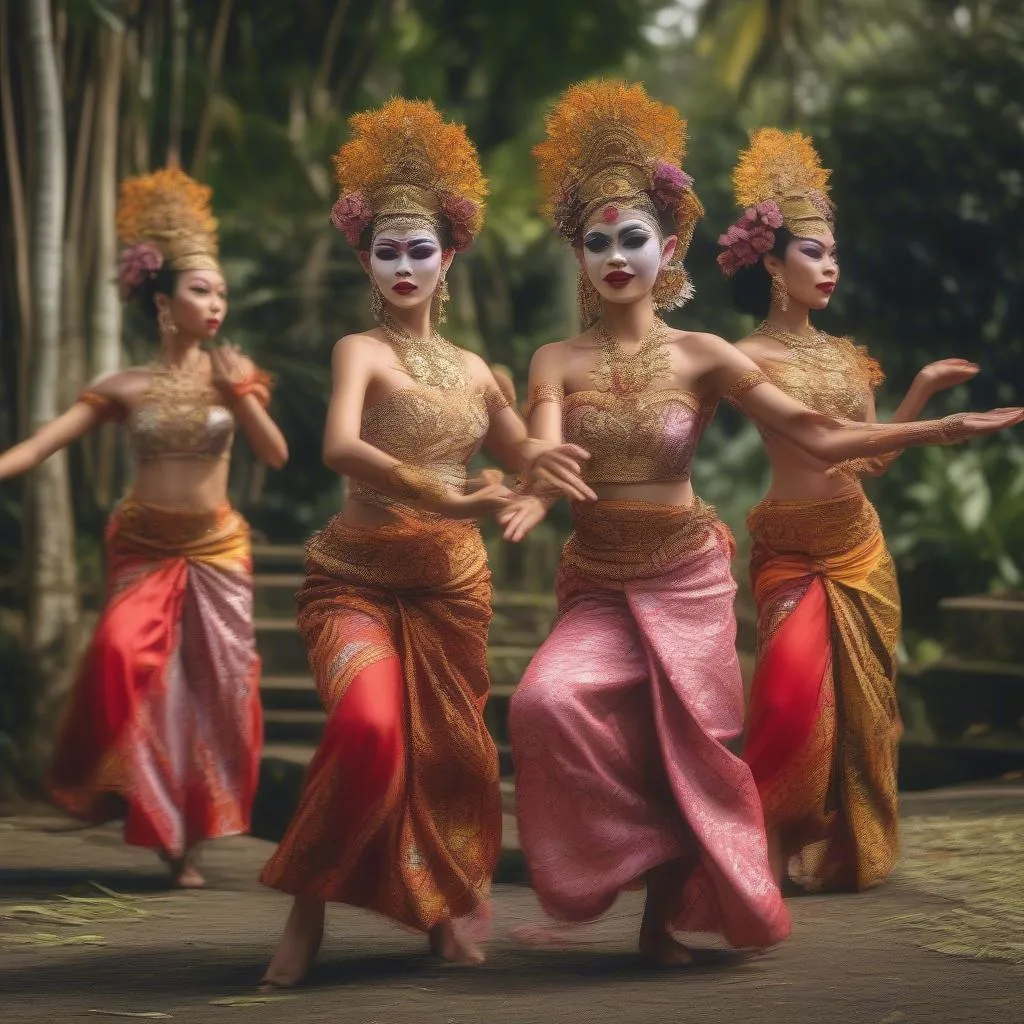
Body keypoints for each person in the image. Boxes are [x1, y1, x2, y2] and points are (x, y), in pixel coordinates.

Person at [499, 80, 1023, 965]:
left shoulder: (705, 354)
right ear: (580, 257)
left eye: (634, 239)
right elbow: (546, 451)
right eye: (598, 242)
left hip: (685, 573)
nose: (617, 255)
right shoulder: (556, 357)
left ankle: (664, 915)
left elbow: (816, 432)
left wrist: (935, 422)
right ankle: (657, 854)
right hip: (597, 577)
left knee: (689, 747)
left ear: (669, 251)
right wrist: (532, 485)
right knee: (543, 701)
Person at [257, 98, 592, 988]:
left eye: (420, 250)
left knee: (454, 755)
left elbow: (522, 457)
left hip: (450, 587)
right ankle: (307, 910)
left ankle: (443, 907)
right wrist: (450, 493)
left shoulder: (479, 371)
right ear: (367, 260)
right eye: (387, 250)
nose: (404, 265)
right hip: (354, 581)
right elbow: (338, 447)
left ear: (448, 259)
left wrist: (539, 473)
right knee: (368, 728)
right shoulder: (359, 351)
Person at [0, 166, 288, 887]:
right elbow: (40, 446)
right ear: (163, 302)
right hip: (144, 548)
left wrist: (243, 393)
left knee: (218, 688)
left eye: (221, 292)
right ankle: (164, 833)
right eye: (201, 290)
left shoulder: (237, 377)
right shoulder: (124, 386)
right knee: (133, 663)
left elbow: (276, 455)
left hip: (219, 549)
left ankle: (191, 832)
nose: (216, 302)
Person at [717, 128, 979, 891]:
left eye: (835, 254)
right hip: (793, 546)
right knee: (792, 694)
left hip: (859, 541)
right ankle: (753, 843)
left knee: (865, 712)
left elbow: (866, 457)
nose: (829, 266)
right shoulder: (746, 359)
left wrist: (921, 389)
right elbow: (823, 441)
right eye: (812, 252)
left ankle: (827, 840)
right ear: (771, 261)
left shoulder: (845, 353)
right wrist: (942, 426)